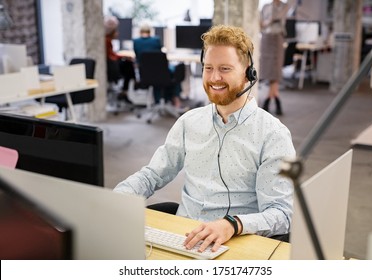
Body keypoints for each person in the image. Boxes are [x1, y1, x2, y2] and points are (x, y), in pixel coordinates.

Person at [114, 25, 295, 253]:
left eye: (225, 68)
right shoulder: (188, 122)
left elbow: (282, 213)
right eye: (208, 68)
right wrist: (116, 199)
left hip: (237, 244)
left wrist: (233, 225)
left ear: (248, 72)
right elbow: (153, 174)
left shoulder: (272, 134)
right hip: (184, 238)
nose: (214, 77)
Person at [133, 23, 183, 109]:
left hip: (145, 74)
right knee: (174, 71)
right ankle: (174, 98)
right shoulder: (156, 40)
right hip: (160, 73)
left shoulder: (136, 42)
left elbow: (137, 57)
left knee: (159, 76)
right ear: (150, 31)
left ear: (140, 32)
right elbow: (158, 56)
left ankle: (159, 100)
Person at [259, 0, 291, 115]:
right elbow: (261, 24)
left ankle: (268, 99)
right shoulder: (265, 6)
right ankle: (275, 97)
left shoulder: (284, 6)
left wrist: (268, 21)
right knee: (268, 69)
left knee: (276, 69)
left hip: (277, 39)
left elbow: (276, 17)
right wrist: (268, 22)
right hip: (266, 39)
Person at [104, 15, 135, 103]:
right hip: (112, 69)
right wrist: (123, 56)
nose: (117, 32)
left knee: (128, 63)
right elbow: (111, 57)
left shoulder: (107, 40)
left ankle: (127, 89)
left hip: (112, 65)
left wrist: (121, 56)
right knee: (128, 64)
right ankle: (128, 88)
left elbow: (112, 55)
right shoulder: (106, 41)